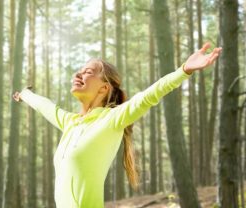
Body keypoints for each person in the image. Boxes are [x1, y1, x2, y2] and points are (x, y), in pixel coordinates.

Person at [13, 42, 222, 208]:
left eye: (87, 71)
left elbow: (150, 95)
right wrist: (25, 94)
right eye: (79, 70)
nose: (78, 74)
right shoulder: (70, 123)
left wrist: (184, 70)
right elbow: (45, 105)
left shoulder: (112, 120)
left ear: (104, 88)